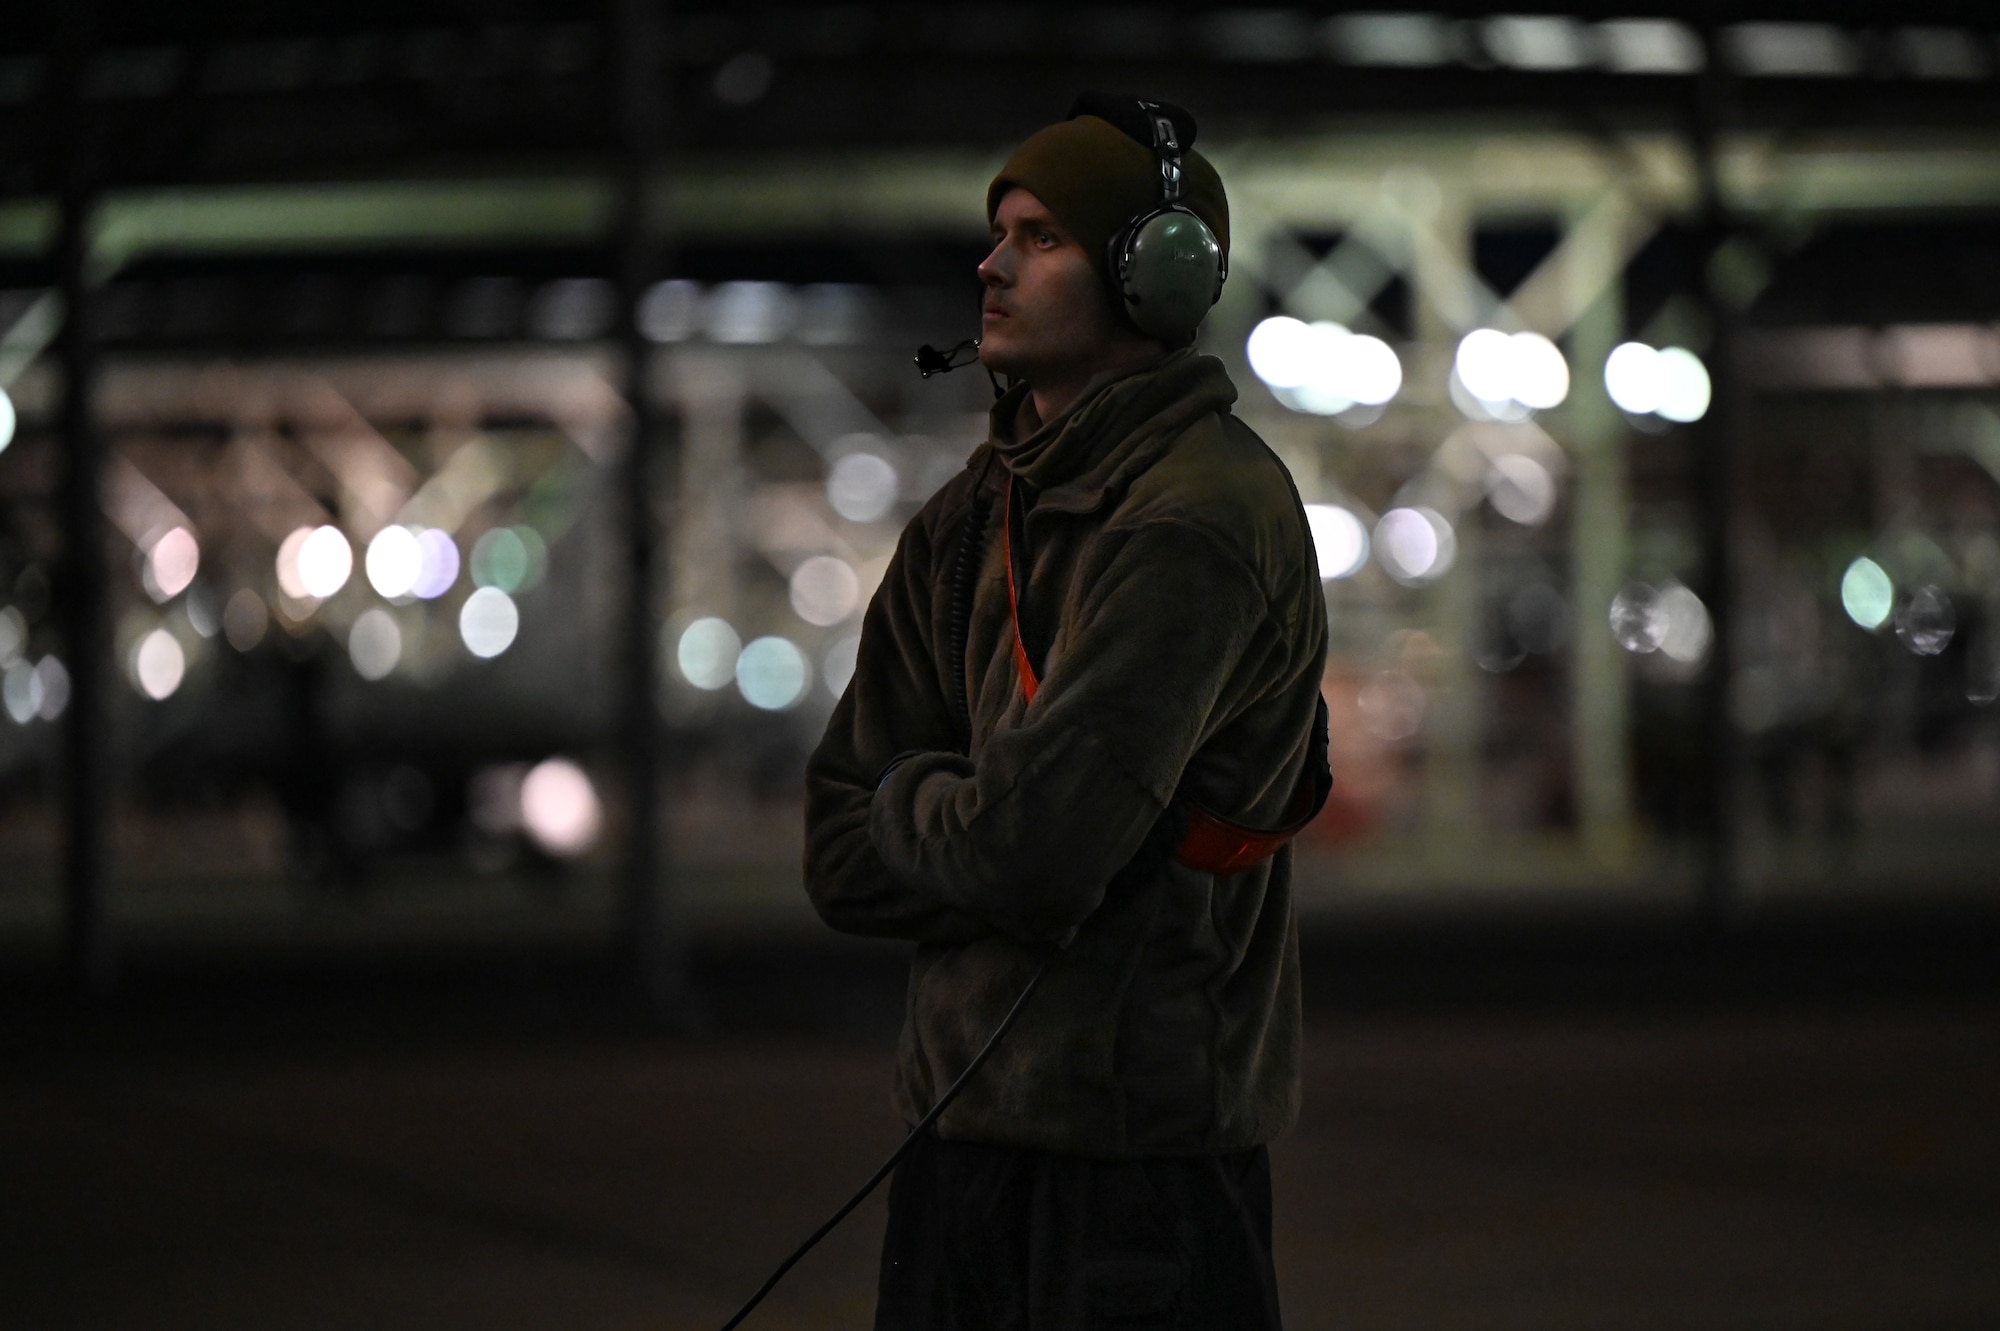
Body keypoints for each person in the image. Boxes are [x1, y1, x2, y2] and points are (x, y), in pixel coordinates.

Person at [804, 93, 1329, 1329]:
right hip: (957, 1144)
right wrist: (965, 817)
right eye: (998, 232)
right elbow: (833, 849)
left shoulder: (1199, 518)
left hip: (1137, 1168)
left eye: (1036, 236)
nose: (989, 264)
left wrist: (923, 807)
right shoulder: (967, 518)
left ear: (1150, 274)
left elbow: (1036, 853)